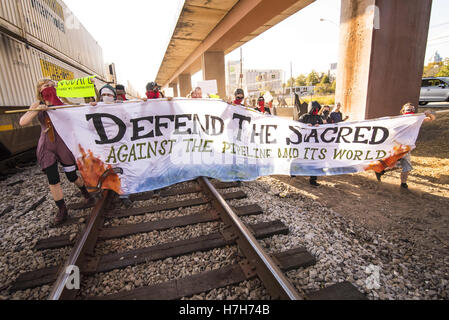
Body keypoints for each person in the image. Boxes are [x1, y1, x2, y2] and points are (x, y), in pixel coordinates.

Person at [19, 79, 95, 225]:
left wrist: (90, 106)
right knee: (53, 179)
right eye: (45, 86)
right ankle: (62, 209)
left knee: (71, 176)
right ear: (40, 89)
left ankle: (86, 193)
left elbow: (80, 112)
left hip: (63, 144)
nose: (49, 88)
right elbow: (22, 122)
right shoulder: (37, 104)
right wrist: (36, 111)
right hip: (47, 145)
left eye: (52, 85)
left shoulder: (63, 102)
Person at [375, 102, 436, 189]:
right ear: (403, 111)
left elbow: (431, 119)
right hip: (398, 145)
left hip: (408, 146)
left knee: (404, 166)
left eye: (412, 110)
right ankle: (398, 180)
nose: (411, 111)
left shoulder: (416, 119)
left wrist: (429, 113)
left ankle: (385, 173)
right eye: (408, 109)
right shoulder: (399, 120)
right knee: (403, 165)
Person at [298, 101, 324, 187]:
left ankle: (313, 180)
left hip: (315, 144)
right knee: (300, 158)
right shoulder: (304, 116)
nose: (316, 111)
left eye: (317, 109)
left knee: (314, 161)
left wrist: (319, 125)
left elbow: (324, 129)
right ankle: (294, 173)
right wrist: (305, 125)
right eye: (314, 109)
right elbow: (297, 125)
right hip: (304, 143)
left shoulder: (318, 118)